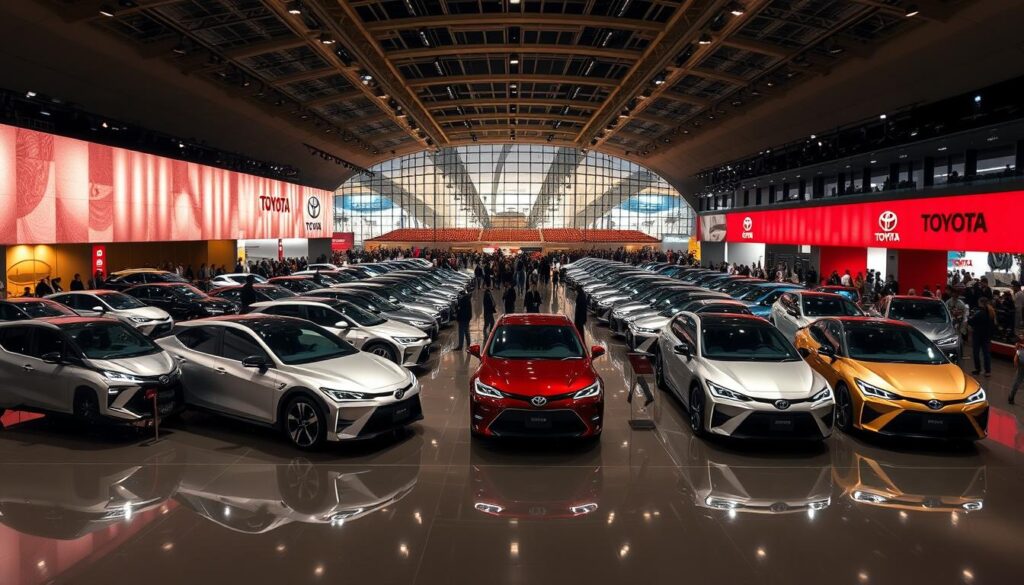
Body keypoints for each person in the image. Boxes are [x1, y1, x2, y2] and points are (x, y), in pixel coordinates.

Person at [969, 297, 996, 377]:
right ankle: (988, 371)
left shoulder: (979, 313)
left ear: (981, 303)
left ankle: (978, 369)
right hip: (987, 336)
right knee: (986, 354)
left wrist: (970, 318)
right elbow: (993, 325)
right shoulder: (991, 312)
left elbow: (971, 322)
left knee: (976, 353)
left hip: (977, 335)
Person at [1010, 333, 1024, 404]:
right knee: (1018, 380)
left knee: (1018, 380)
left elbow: (1016, 350)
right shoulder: (1019, 340)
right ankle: (1011, 397)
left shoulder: (1019, 340)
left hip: (1021, 360)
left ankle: (1011, 397)